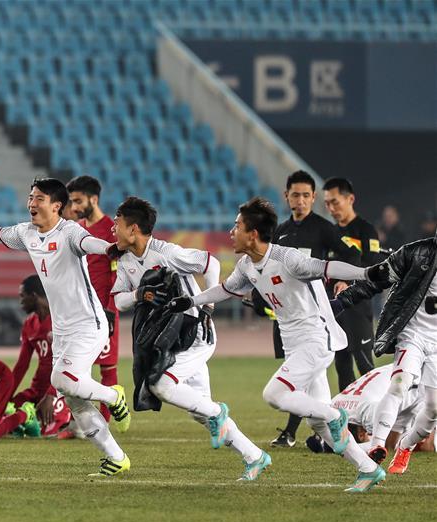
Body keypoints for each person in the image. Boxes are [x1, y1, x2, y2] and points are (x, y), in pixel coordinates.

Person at [167, 196, 387, 492]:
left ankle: (335, 415)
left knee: (275, 393)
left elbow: (327, 267)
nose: (232, 232)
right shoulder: (247, 265)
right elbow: (225, 290)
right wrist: (191, 301)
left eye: (237, 226)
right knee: (317, 424)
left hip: (316, 338)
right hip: (295, 345)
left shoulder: (288, 259)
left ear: (253, 234)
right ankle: (368, 469)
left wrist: (364, 273)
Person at [0, 177, 132, 476]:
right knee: (73, 397)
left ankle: (113, 396)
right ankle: (116, 457)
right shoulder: (26, 233)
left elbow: (89, 243)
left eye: (39, 198)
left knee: (63, 380)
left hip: (88, 324)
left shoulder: (69, 231)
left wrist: (109, 249)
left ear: (57, 206)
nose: (31, 203)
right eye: (30, 197)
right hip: (63, 330)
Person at [109, 197, 270, 480]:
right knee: (199, 411)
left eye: (117, 223)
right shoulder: (125, 261)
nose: (113, 229)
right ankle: (254, 456)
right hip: (169, 339)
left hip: (195, 332)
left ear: (133, 229)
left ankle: (218, 413)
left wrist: (208, 306)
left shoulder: (167, 253)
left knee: (161, 384)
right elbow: (119, 301)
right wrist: (139, 294)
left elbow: (210, 263)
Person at [332, 226, 437, 474]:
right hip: (412, 334)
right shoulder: (416, 253)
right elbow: (377, 279)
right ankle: (377, 445)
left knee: (433, 407)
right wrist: (343, 300)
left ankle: (405, 446)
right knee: (399, 384)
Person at [268, 170, 361, 448]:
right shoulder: (280, 232)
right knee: (310, 376)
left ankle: (298, 431)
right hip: (287, 315)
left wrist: (344, 280)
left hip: (313, 316)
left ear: (313, 197)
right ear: (286, 196)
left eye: (306, 195)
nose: (301, 200)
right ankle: (329, 435)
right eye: (295, 195)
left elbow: (352, 254)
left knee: (301, 373)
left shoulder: (323, 228)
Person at [67, 175, 119, 421]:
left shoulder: (110, 231)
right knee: (75, 368)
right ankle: (78, 422)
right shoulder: (77, 230)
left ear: (94, 199)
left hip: (103, 310)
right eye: (72, 202)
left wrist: (110, 309)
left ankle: (104, 421)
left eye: (78, 201)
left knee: (107, 367)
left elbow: (117, 275)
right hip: (80, 310)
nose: (74, 207)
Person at [322, 177, 378, 392]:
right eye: (327, 203)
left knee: (365, 366)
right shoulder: (330, 233)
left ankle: (374, 411)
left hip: (358, 306)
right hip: (334, 307)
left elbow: (372, 266)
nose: (331, 208)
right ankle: (347, 414)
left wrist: (346, 280)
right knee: (342, 366)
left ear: (350, 199)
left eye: (335, 202)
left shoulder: (366, 230)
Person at [308, 365, 427, 454]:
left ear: (361, 435)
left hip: (419, 378)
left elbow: (377, 445)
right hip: (402, 371)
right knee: (394, 442)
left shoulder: (368, 411)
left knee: (428, 446)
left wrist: (341, 450)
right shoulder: (334, 404)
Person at [10, 275, 71, 437]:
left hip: (59, 390)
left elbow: (68, 361)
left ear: (34, 296)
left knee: (45, 432)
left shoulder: (61, 320)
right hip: (37, 390)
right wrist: (5, 396)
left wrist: (51, 394)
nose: (20, 302)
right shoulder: (29, 324)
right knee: (8, 415)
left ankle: (72, 416)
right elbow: (21, 365)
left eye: (22, 296)